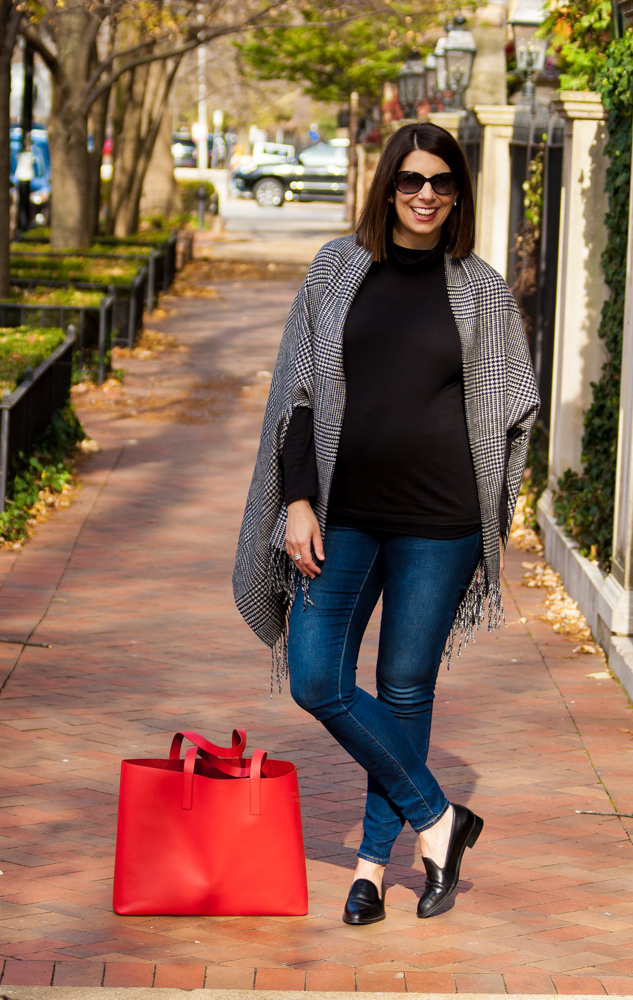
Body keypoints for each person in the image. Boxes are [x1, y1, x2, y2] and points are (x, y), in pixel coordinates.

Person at [233, 122, 540, 924]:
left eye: (442, 182)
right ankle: (440, 819)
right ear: (386, 187)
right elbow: (297, 393)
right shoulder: (338, 267)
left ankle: (370, 868)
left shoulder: (478, 286)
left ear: (458, 193)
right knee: (317, 679)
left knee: (404, 689)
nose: (426, 195)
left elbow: (515, 406)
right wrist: (297, 501)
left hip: (440, 522)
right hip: (341, 517)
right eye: (410, 181)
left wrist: (491, 510)